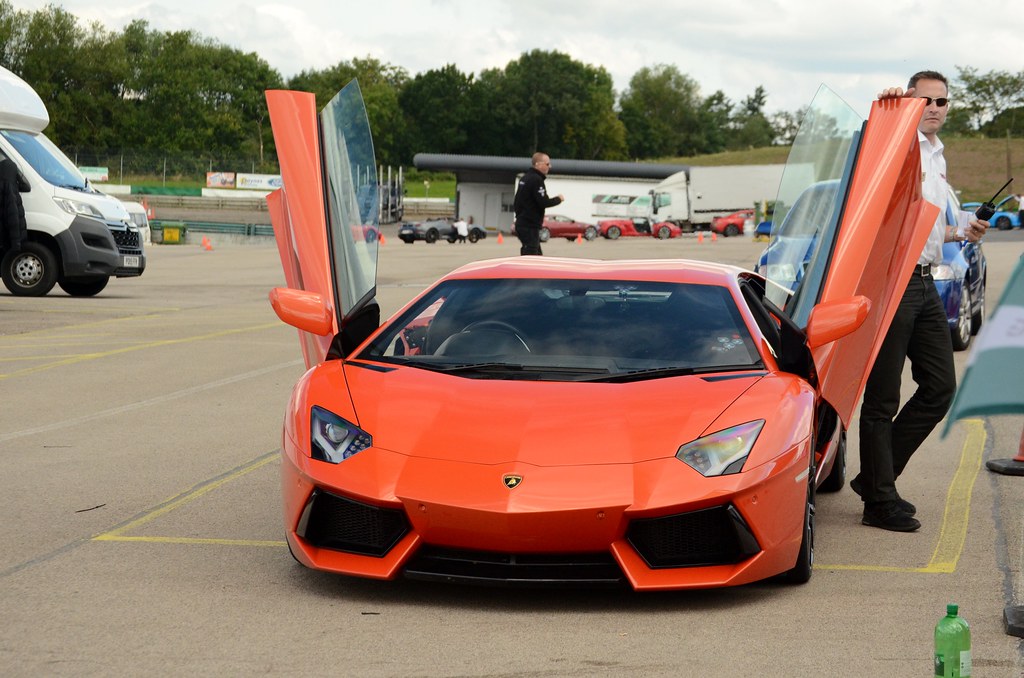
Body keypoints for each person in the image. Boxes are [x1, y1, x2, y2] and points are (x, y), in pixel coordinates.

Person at [852, 71, 989, 532]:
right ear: (910, 101)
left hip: (926, 279)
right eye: (924, 100)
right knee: (882, 399)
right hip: (892, 282)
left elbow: (923, 227)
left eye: (942, 101)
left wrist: (959, 231)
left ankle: (876, 478)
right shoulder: (898, 140)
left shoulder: (936, 154)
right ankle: (879, 502)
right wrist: (891, 106)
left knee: (939, 389)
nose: (934, 107)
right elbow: (874, 148)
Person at [513, 152, 563, 256]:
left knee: (537, 255)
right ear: (538, 164)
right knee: (531, 255)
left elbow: (517, 202)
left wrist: (519, 217)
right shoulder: (536, 179)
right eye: (547, 164)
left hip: (523, 223)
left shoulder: (524, 178)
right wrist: (558, 199)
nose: (550, 167)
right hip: (529, 225)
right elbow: (543, 202)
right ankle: (524, 272)